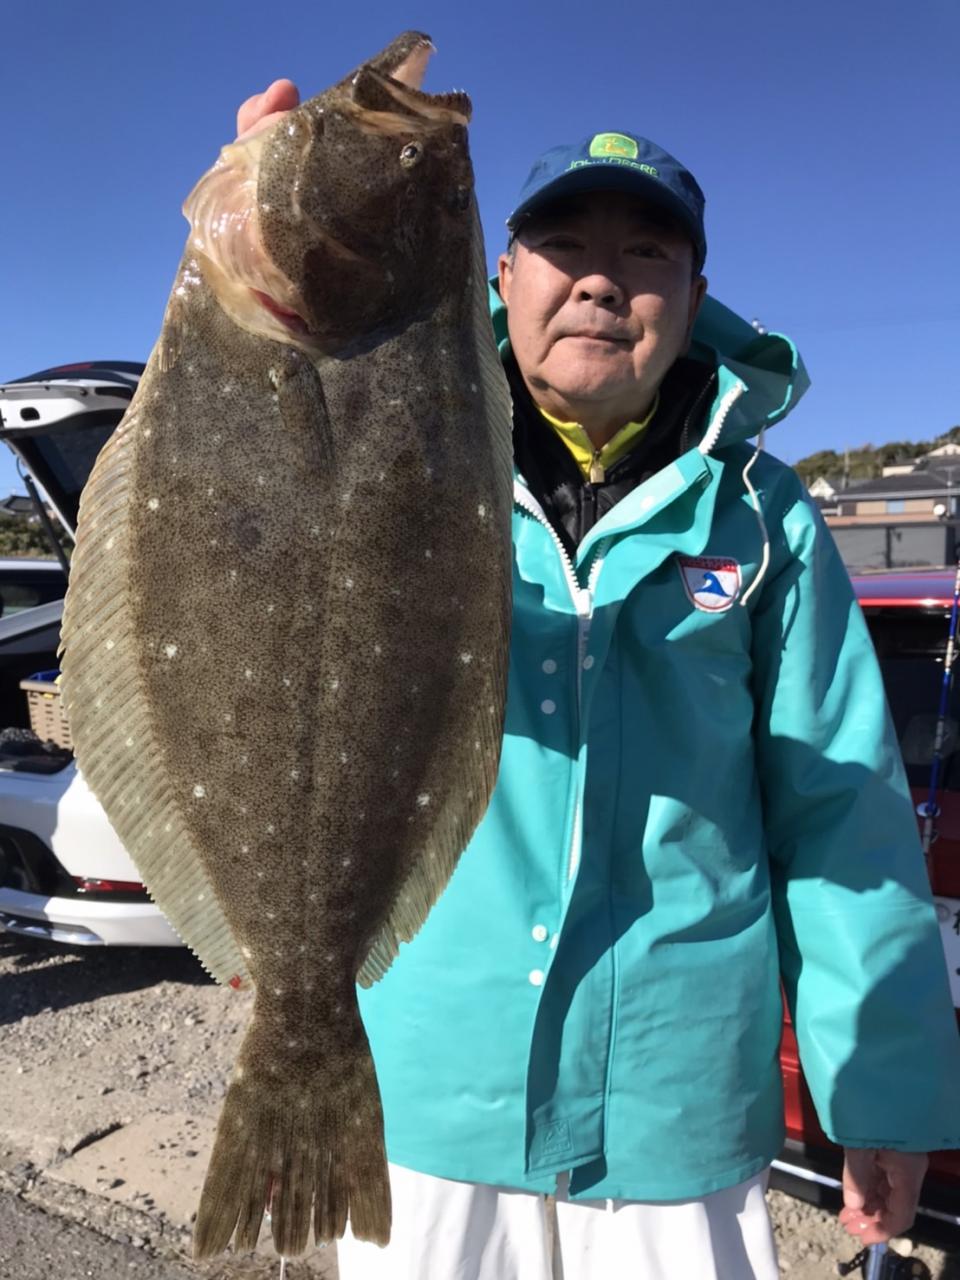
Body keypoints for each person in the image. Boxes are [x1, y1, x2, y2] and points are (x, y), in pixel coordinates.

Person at [236, 83, 960, 1279]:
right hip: (430, 1077)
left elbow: (845, 809)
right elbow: (240, 533)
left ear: (695, 292)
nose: (600, 281)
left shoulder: (764, 514)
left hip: (673, 1106)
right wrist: (270, 244)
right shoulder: (391, 447)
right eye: (564, 245)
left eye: (646, 253)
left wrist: (881, 1086)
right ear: (503, 273)